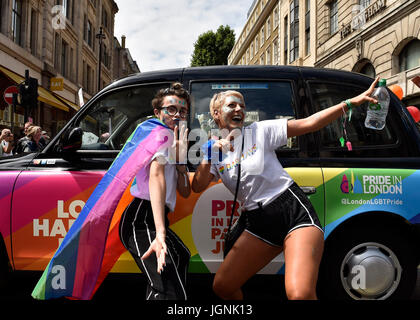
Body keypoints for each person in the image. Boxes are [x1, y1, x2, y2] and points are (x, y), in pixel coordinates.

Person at [192, 77, 380, 300]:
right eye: (232, 105)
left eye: (242, 106)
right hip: (259, 222)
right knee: (222, 286)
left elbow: (310, 123)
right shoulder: (215, 152)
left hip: (292, 212)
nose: (239, 109)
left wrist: (350, 103)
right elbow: (198, 185)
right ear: (216, 113)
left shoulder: (259, 131)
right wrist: (209, 155)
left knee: (299, 294)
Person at [119, 83, 192, 300]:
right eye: (171, 109)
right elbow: (157, 174)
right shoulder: (160, 135)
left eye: (182, 111)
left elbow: (185, 192)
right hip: (140, 221)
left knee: (180, 258)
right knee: (169, 287)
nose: (177, 115)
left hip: (153, 219)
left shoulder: (175, 140)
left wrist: (180, 165)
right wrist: (160, 234)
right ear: (157, 113)